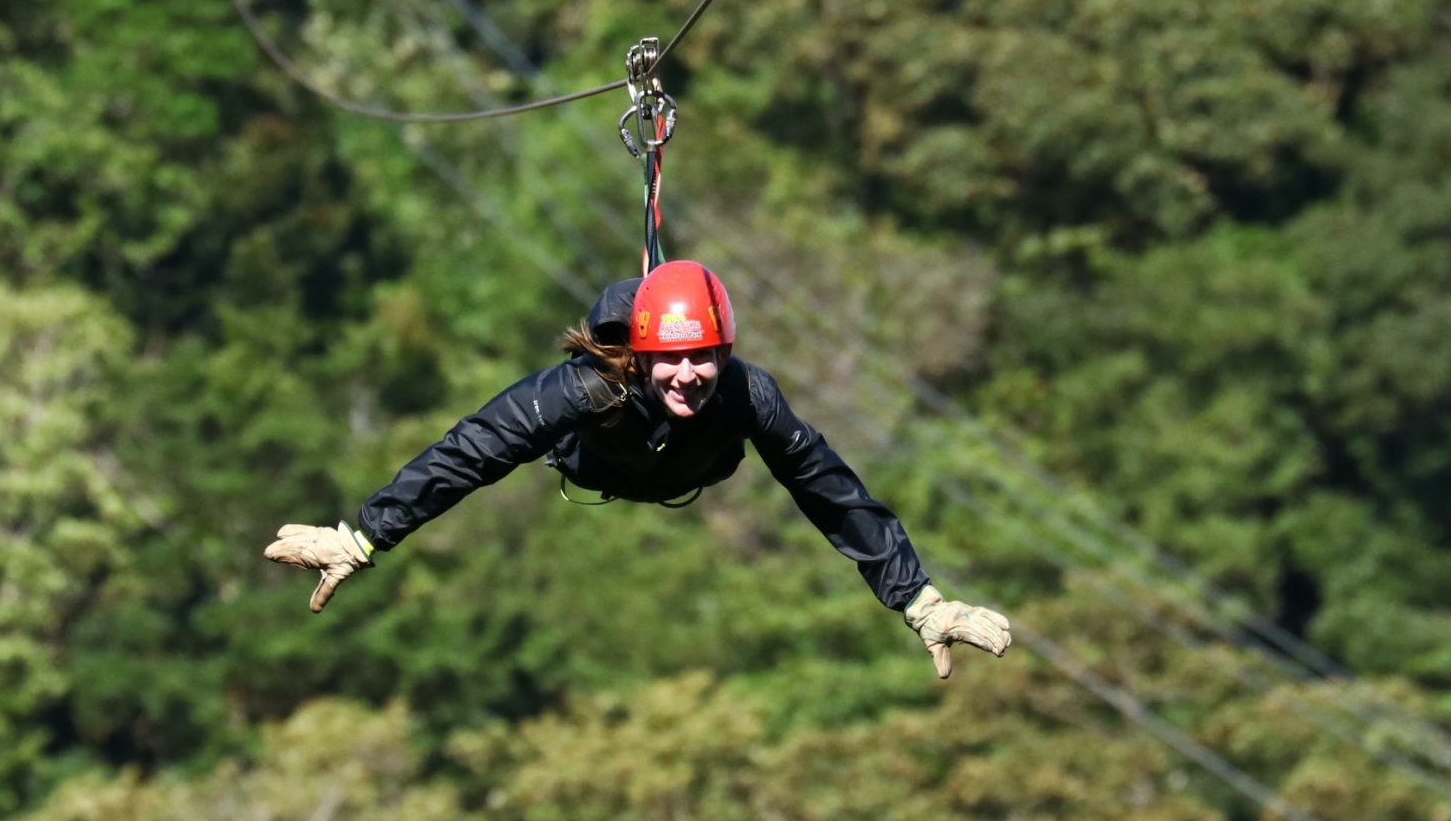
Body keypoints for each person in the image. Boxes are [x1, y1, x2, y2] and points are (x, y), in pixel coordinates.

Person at [264, 260, 1012, 678]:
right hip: (600, 462)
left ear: (723, 353)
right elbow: (473, 449)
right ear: (642, 354)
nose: (686, 374)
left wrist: (917, 598)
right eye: (670, 360)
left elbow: (829, 489)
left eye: (702, 359)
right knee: (539, 435)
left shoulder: (749, 396)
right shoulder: (587, 386)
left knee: (767, 443)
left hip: (697, 465)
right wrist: (365, 538)